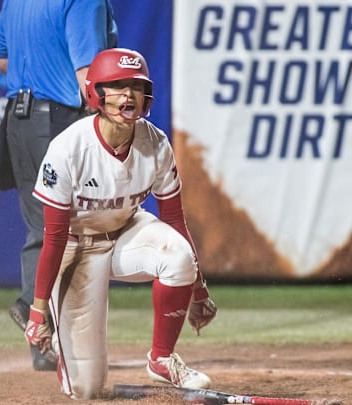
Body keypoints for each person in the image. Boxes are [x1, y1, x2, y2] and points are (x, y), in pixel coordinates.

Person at [23, 48, 218, 399]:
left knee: (177, 255)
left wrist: (198, 290)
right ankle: (68, 350)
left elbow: (174, 220)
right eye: (116, 86)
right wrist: (38, 312)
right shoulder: (68, 149)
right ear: (94, 93)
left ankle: (161, 359)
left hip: (128, 233)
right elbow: (52, 237)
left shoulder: (156, 142)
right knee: (86, 388)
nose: (128, 94)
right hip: (76, 247)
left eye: (135, 86)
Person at [0, 0, 118, 371]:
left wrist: (40, 71)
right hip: (59, 119)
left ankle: (43, 346)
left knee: (39, 229)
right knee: (70, 228)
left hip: (19, 118)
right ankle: (37, 309)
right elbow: (87, 73)